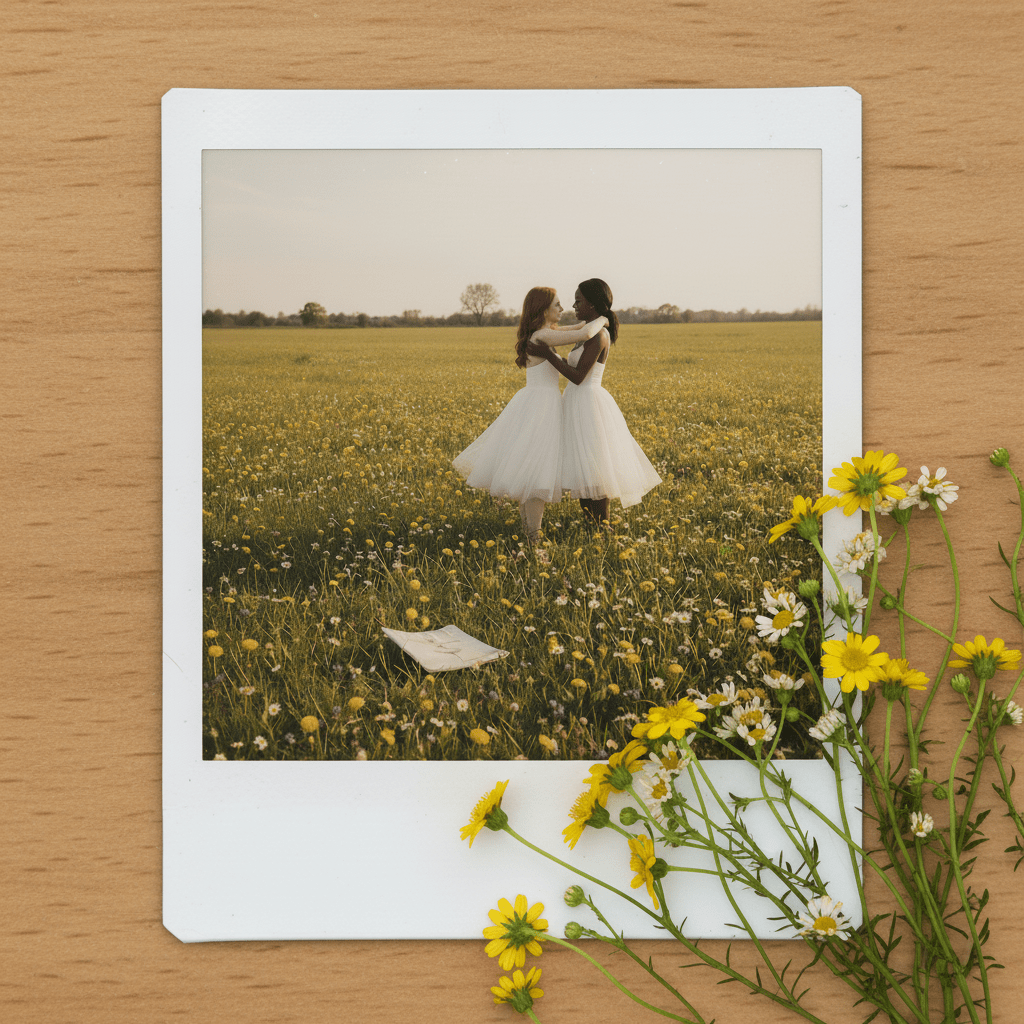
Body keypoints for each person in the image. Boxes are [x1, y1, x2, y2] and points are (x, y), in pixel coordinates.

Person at [452, 286, 608, 546]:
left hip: (535, 402)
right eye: (557, 305)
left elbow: (575, 329)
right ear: (544, 309)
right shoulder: (542, 335)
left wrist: (591, 322)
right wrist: (603, 317)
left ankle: (530, 536)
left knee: (533, 471)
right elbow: (583, 332)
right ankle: (534, 540)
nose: (562, 309)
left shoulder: (544, 333)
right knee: (537, 474)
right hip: (542, 407)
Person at [527, 278, 661, 529]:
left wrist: (549, 356)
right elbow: (575, 334)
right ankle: (593, 527)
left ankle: (602, 527)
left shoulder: (599, 335)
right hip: (576, 403)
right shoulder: (586, 333)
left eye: (579, 301)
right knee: (583, 468)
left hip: (589, 402)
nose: (574, 305)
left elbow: (578, 377)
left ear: (592, 304)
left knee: (596, 467)